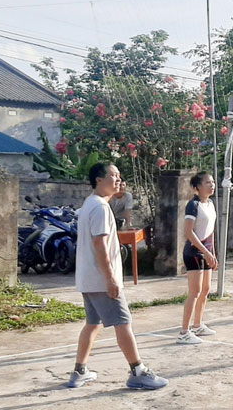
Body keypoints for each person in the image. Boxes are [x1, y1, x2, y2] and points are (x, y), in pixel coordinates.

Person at [67, 162, 167, 390]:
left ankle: (79, 371)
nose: (118, 180)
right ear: (99, 180)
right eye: (113, 176)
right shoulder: (100, 208)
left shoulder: (92, 204)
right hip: (101, 280)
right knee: (123, 323)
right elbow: (100, 244)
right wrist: (111, 278)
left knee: (92, 324)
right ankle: (138, 371)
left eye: (119, 176)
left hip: (89, 279)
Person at [176, 172, 219, 345]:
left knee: (205, 289)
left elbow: (211, 232)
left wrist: (212, 253)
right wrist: (205, 252)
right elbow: (189, 232)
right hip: (193, 252)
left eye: (213, 182)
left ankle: (197, 325)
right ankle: (184, 332)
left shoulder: (210, 204)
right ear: (196, 188)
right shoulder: (193, 205)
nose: (212, 185)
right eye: (207, 182)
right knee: (194, 292)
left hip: (207, 251)